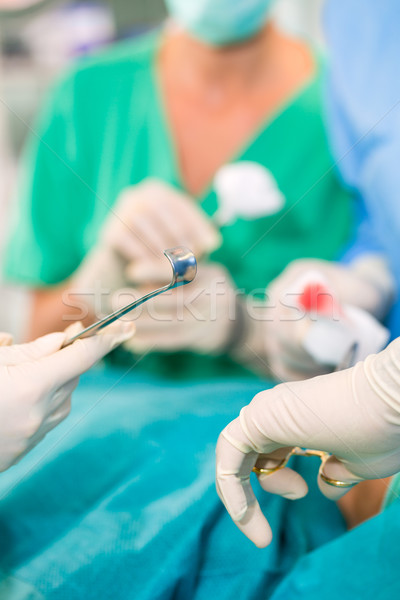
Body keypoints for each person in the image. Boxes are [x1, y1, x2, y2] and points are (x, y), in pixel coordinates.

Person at [4, 0, 389, 381]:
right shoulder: (84, 96)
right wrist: (91, 292)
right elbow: (32, 347)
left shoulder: (349, 110)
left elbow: (368, 356)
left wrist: (245, 330)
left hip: (284, 437)